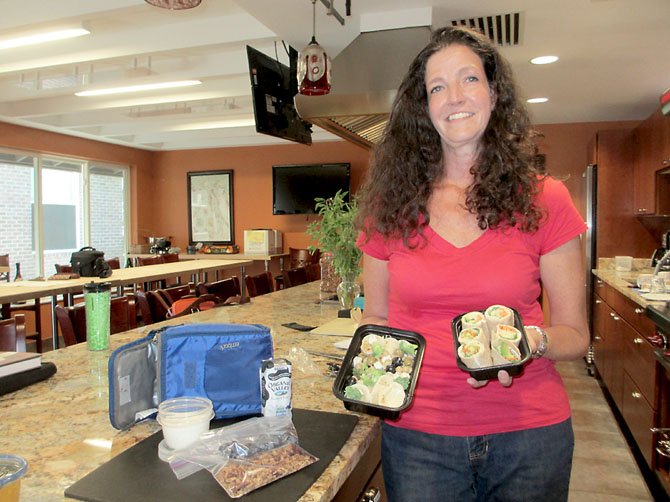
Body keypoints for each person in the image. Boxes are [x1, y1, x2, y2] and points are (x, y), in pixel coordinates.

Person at [355, 25, 589, 502]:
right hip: (420, 437)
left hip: (530, 436)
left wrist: (530, 342)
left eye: (469, 79)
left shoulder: (546, 198)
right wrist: (373, 372)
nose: (453, 96)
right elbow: (376, 318)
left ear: (494, 92)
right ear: (424, 107)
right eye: (437, 87)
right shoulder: (389, 204)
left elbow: (575, 335)